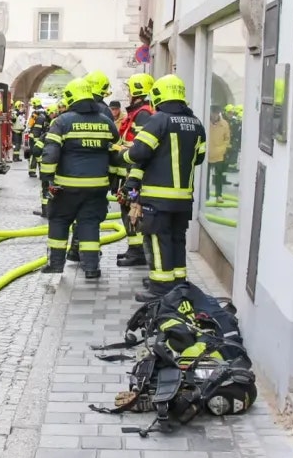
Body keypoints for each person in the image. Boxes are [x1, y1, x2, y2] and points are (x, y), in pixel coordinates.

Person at [122, 74, 207, 301]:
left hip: (157, 197)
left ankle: (160, 288)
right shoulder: (197, 123)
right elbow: (199, 158)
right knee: (177, 239)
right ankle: (178, 283)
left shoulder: (159, 120)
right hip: (183, 198)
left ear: (159, 95)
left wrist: (124, 154)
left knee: (159, 240)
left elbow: (140, 153)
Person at [38, 78, 119, 279]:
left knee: (59, 221)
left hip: (66, 186)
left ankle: (56, 265)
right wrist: (114, 179)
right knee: (90, 224)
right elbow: (116, 148)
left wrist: (47, 179)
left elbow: (50, 153)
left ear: (71, 98)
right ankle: (92, 268)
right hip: (98, 186)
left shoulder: (62, 122)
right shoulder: (106, 122)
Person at [113, 73, 155, 268]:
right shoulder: (137, 112)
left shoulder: (144, 114)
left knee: (132, 210)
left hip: (135, 171)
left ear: (137, 91)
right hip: (128, 170)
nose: (128, 93)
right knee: (126, 208)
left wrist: (121, 151)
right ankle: (134, 249)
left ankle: (137, 252)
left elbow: (141, 146)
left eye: (130, 89)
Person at [208, 106, 231, 200]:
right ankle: (205, 195)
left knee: (219, 176)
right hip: (207, 154)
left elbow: (227, 138)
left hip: (219, 155)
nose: (214, 115)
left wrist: (223, 149)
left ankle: (219, 195)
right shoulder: (205, 121)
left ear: (219, 113)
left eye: (216, 113)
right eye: (213, 113)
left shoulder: (224, 124)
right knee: (204, 177)